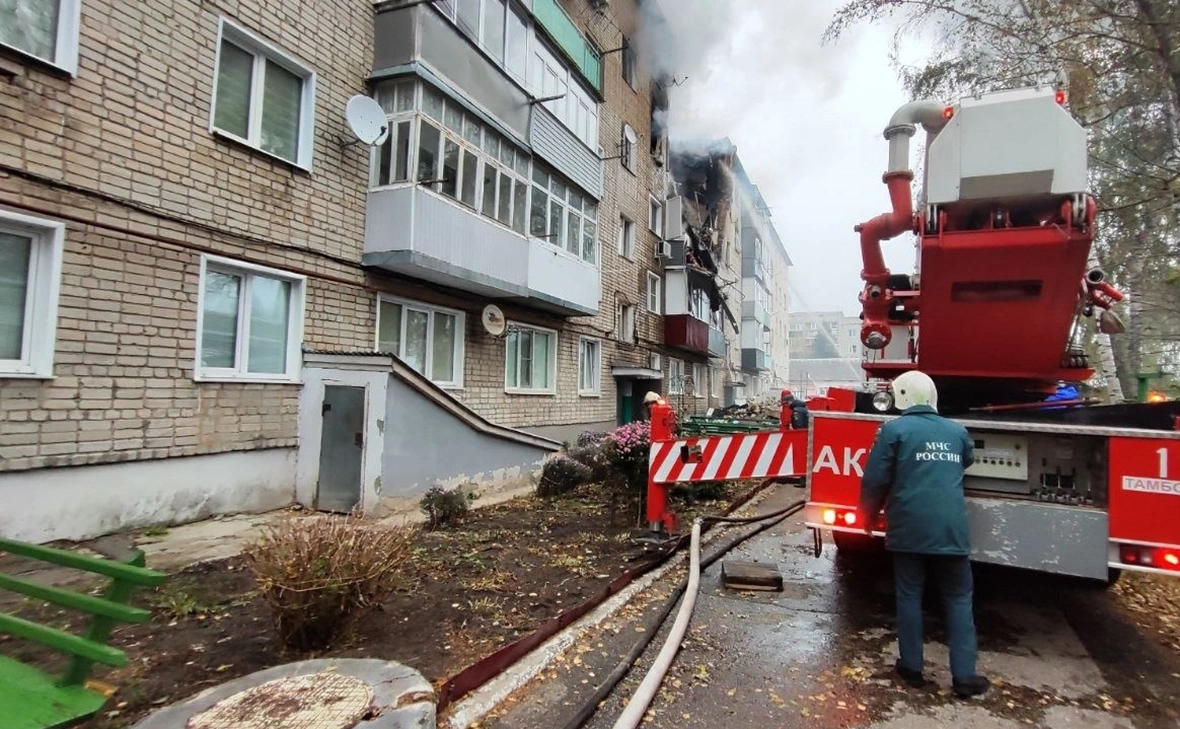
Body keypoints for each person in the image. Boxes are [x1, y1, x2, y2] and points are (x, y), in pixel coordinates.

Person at [858, 370, 990, 698]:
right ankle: (964, 678)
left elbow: (875, 479)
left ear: (901, 397)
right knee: (959, 598)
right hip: (951, 531)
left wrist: (868, 517)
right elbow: (966, 461)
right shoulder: (957, 432)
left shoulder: (893, 430)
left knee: (909, 595)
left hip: (908, 528)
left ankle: (912, 668)